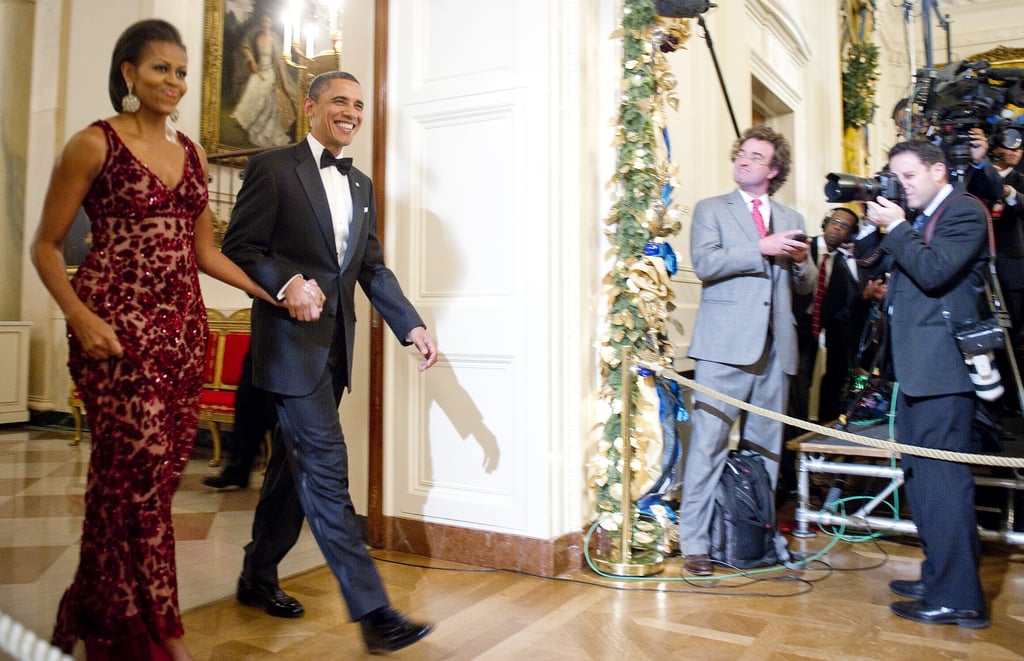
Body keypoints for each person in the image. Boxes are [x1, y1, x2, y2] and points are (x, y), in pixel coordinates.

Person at [30, 19, 276, 660]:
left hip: (182, 335)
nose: (174, 81)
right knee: (132, 482)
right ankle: (156, 633)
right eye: (160, 68)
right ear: (128, 73)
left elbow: (204, 253)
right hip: (116, 331)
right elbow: (47, 246)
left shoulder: (192, 154)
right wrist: (80, 316)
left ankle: (98, 612)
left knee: (145, 482)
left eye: (181, 70)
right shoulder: (94, 144)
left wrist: (265, 291)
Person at [221, 70, 438, 655]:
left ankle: (256, 574)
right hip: (289, 349)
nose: (351, 112)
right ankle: (374, 613)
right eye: (340, 101)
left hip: (334, 354)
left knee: (292, 474)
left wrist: (410, 324)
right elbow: (238, 249)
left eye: (359, 105)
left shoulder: (361, 185)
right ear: (311, 107)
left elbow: (370, 268)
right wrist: (287, 281)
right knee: (326, 468)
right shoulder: (273, 168)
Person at [865, 140, 990, 628]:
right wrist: (882, 227)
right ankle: (941, 574)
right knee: (923, 482)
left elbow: (935, 272)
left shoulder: (964, 211)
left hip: (944, 372)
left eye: (910, 176)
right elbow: (883, 266)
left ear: (940, 171)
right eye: (897, 176)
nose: (903, 185)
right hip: (919, 370)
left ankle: (960, 598)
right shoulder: (919, 220)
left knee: (943, 485)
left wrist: (897, 227)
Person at [679, 125, 815, 576]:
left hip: (778, 352)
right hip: (724, 349)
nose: (744, 159)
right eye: (742, 153)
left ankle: (757, 541)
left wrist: (799, 263)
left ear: (773, 170)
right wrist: (760, 247)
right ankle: (694, 544)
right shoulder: (711, 209)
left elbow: (809, 285)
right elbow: (706, 263)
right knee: (708, 447)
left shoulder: (791, 214)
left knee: (767, 451)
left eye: (756, 157)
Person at [792, 207, 872, 425]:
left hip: (821, 329)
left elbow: (844, 306)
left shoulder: (842, 263)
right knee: (797, 383)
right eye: (835, 221)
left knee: (816, 380)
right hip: (795, 326)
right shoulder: (804, 247)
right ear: (825, 223)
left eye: (845, 225)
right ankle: (795, 435)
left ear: (851, 234)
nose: (837, 227)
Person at [201, 347, 278, 489]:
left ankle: (279, 482)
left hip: (290, 348)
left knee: (277, 415)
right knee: (246, 404)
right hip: (262, 343)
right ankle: (237, 470)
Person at [231, 15, 294, 147]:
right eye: (264, 21)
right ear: (261, 23)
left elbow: (279, 62)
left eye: (268, 21)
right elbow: (246, 48)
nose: (266, 24)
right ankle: (245, 122)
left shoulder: (273, 39)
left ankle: (263, 128)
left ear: (270, 24)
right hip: (259, 71)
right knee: (251, 91)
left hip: (269, 72)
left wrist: (285, 83)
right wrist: (252, 60)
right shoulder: (257, 37)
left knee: (265, 97)